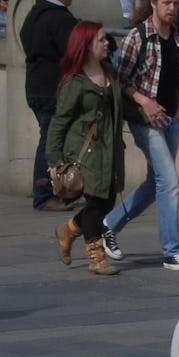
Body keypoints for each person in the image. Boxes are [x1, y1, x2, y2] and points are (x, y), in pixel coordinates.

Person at [103, 0, 179, 271]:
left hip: (170, 119)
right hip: (144, 120)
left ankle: (109, 224)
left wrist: (178, 115)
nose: (172, 8)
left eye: (176, 3)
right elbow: (120, 80)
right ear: (153, 3)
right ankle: (172, 251)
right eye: (166, 2)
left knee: (157, 184)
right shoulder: (137, 37)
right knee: (169, 182)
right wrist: (145, 101)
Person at [47, 22, 131, 276]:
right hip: (85, 152)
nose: (107, 44)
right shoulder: (76, 82)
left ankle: (68, 230)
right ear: (86, 45)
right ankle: (96, 257)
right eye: (101, 40)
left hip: (110, 149)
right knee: (95, 203)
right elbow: (59, 121)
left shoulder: (109, 72)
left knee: (106, 202)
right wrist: (54, 160)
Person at [19, 0, 79, 211]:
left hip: (34, 85)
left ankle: (59, 190)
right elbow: (73, 51)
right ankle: (43, 195)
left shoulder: (33, 15)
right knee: (49, 142)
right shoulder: (60, 19)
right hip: (52, 88)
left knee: (51, 139)